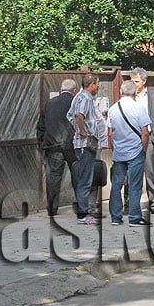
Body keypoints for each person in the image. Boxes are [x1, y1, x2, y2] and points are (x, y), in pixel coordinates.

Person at [107, 80, 152, 227]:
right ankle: (134, 217)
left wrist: (115, 148)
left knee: (116, 185)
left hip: (119, 153)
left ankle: (115, 217)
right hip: (135, 151)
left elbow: (110, 133)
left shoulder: (113, 109)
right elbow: (145, 133)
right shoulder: (138, 108)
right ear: (135, 93)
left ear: (121, 92)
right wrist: (143, 150)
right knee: (135, 185)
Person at [66, 74, 108, 225]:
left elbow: (70, 115)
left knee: (86, 178)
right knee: (85, 179)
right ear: (91, 84)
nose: (98, 87)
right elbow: (78, 115)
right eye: (97, 84)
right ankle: (82, 215)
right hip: (85, 144)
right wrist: (82, 131)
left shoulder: (81, 97)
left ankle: (83, 214)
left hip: (84, 143)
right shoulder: (84, 98)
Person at [37, 79, 78, 216]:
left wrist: (42, 143)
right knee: (78, 174)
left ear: (61, 90)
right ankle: (81, 205)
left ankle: (52, 209)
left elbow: (41, 126)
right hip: (72, 144)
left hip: (53, 144)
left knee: (53, 177)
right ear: (74, 91)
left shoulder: (50, 103)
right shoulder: (76, 102)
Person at [126, 67, 154, 215]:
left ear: (144, 81)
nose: (134, 84)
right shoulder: (128, 95)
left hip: (149, 136)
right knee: (130, 173)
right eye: (132, 81)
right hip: (132, 138)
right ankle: (128, 203)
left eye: (136, 81)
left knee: (150, 172)